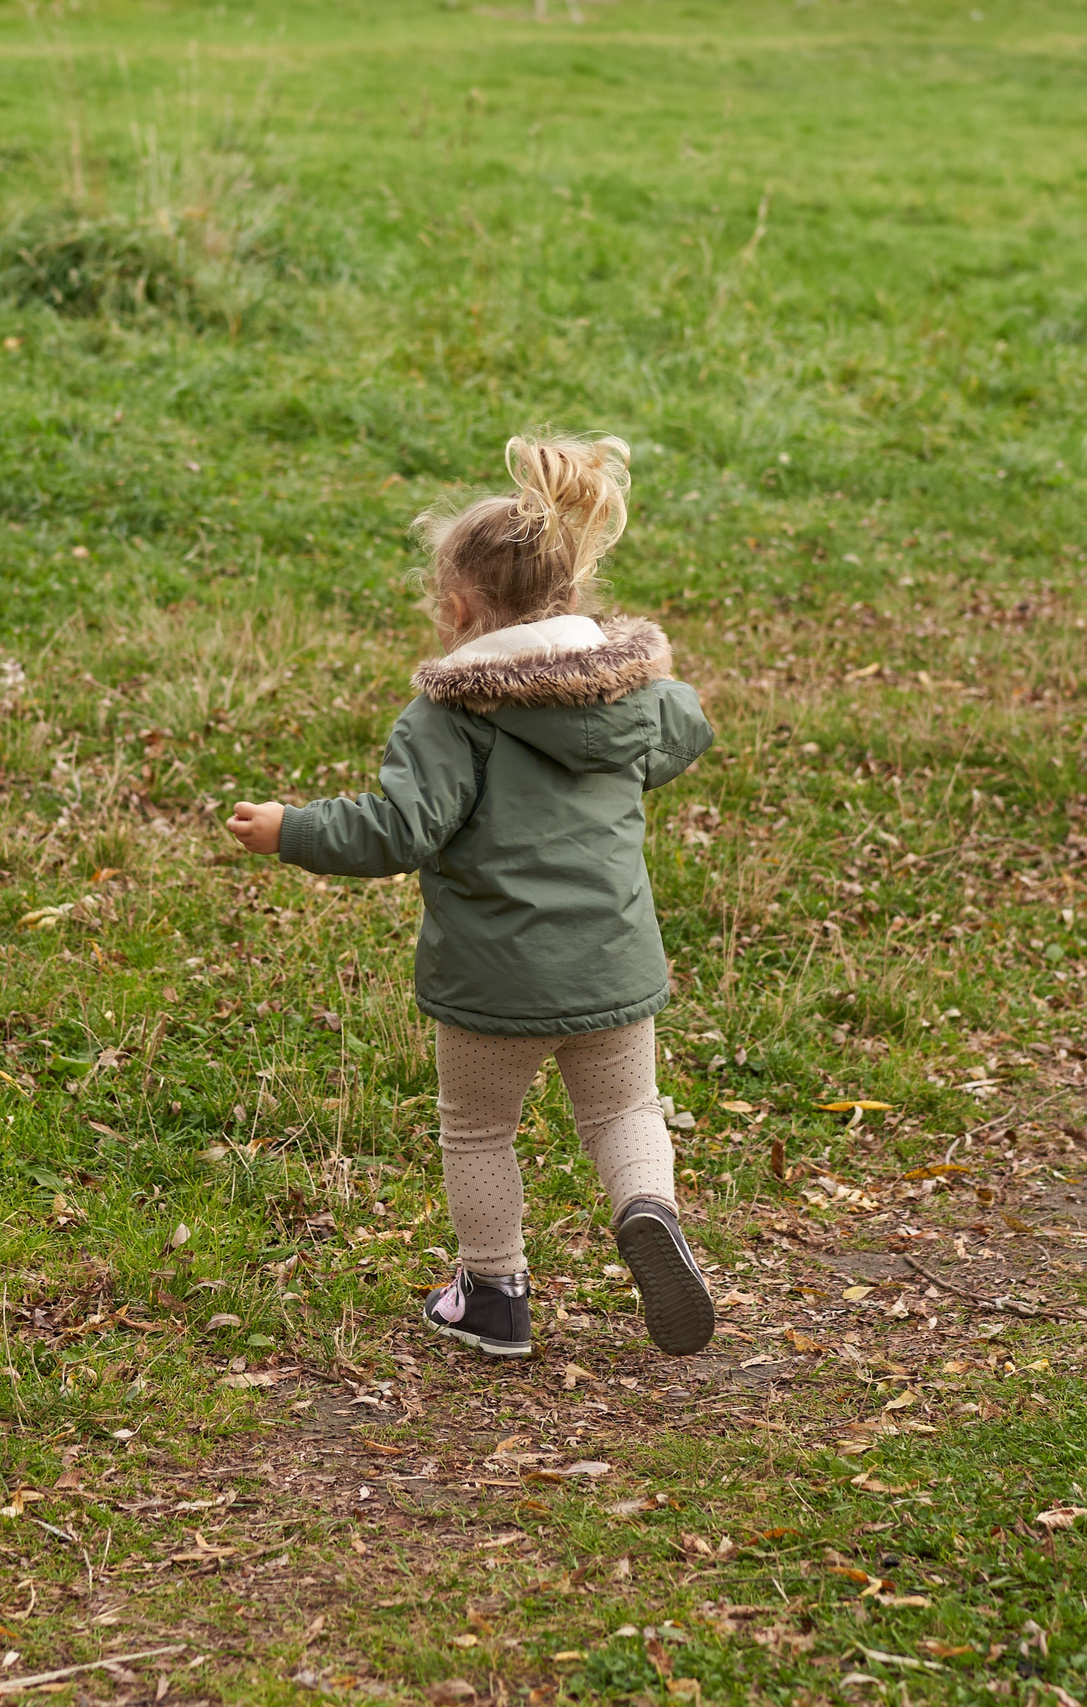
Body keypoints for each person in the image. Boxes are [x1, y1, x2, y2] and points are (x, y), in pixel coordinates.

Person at [224, 433, 717, 1359]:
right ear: (571, 601)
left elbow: (395, 830)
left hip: (498, 981)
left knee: (479, 1128)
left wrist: (289, 827)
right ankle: (649, 1207)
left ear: (455, 612)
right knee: (624, 1112)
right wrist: (639, 672)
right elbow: (684, 723)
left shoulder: (451, 719)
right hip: (615, 962)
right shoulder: (624, 700)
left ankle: (493, 1293)